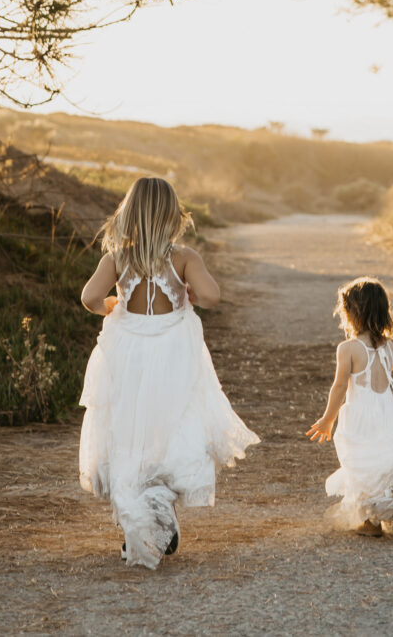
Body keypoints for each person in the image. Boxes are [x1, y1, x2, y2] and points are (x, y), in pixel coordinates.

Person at [77, 177, 259, 568]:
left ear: (130, 213)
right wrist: (188, 294)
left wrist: (113, 306)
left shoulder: (116, 258)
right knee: (173, 422)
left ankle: (137, 525)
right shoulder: (183, 257)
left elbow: (89, 297)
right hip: (173, 348)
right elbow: (211, 296)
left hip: (128, 349)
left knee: (127, 428)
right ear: (173, 215)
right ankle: (159, 499)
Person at [306, 276, 393, 536]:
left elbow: (339, 388)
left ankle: (372, 522)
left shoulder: (348, 348)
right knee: (389, 459)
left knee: (365, 464)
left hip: (360, 417)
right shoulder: (388, 346)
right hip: (388, 414)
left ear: (353, 314)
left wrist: (328, 419)